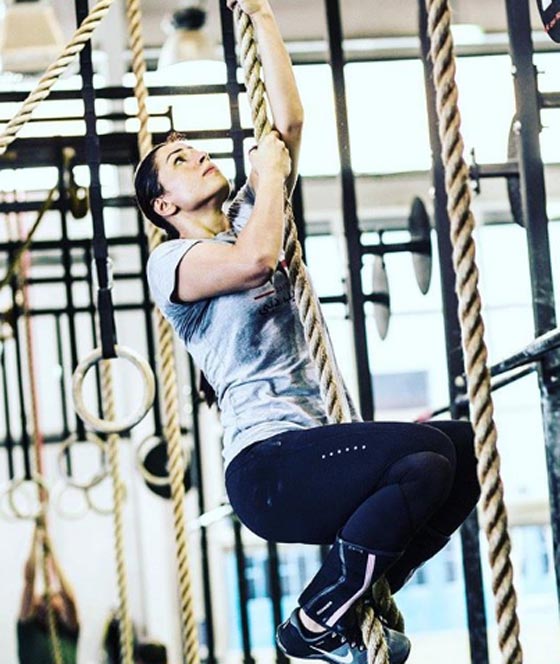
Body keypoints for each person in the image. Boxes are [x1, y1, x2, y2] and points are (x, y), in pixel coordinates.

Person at [135, 1, 481, 662]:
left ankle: (351, 597)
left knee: (463, 451)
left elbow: (288, 121)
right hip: (267, 469)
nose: (200, 154)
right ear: (164, 204)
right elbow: (255, 261)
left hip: (317, 448)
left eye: (196, 148)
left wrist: (261, 15)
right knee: (425, 459)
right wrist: (268, 176)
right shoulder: (172, 262)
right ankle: (314, 622)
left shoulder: (253, 212)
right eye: (181, 158)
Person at [17, 523, 79, 664]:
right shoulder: (29, 630)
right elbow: (29, 581)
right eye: (44, 599)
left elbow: (69, 598)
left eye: (54, 597)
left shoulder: (67, 632)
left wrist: (51, 552)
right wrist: (35, 538)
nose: (48, 603)